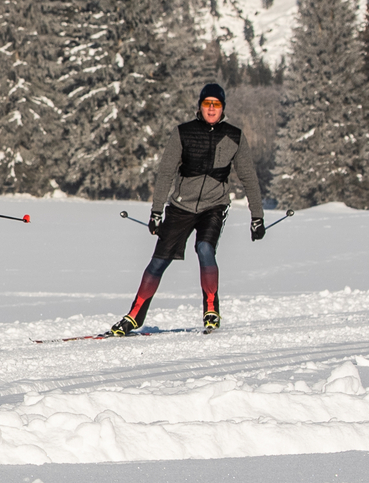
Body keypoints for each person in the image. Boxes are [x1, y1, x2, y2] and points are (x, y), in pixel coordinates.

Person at [111, 82, 266, 336]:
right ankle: (134, 316)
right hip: (181, 206)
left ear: (223, 108)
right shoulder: (183, 133)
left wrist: (257, 217)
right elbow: (166, 173)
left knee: (205, 248)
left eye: (216, 104)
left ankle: (211, 310)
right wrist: (157, 211)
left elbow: (249, 178)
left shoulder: (234, 136)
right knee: (158, 261)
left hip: (214, 206)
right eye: (207, 104)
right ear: (200, 106)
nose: (211, 109)